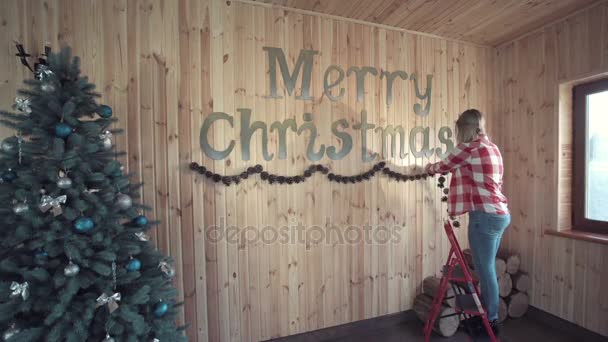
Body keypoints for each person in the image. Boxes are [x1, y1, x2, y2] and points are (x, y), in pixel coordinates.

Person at [425, 109, 510, 335]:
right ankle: (488, 317)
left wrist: (426, 168)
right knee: (487, 268)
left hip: (484, 216)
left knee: (486, 270)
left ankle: (489, 320)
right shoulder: (492, 147)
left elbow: (443, 166)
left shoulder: (469, 148)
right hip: (500, 213)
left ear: (464, 128)